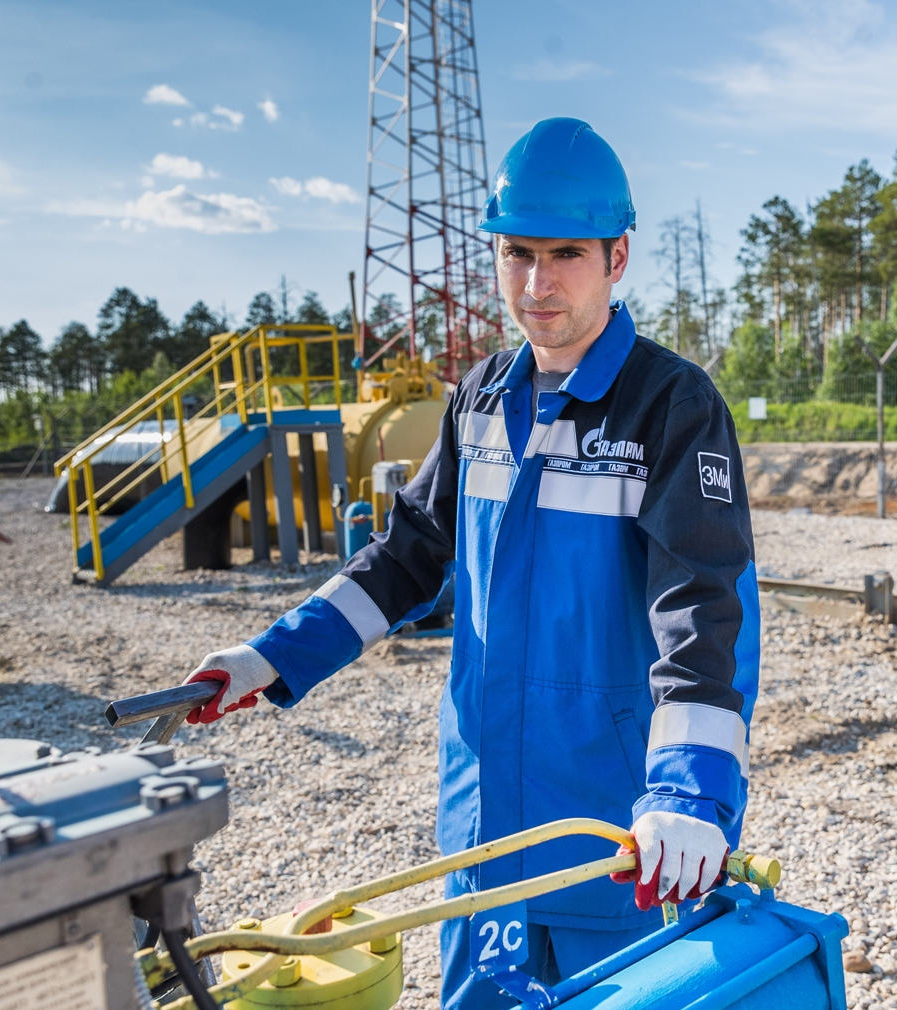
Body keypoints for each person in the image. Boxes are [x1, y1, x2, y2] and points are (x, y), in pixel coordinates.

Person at [180, 117, 759, 1008]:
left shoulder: (669, 406)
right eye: (516, 252)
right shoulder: (480, 397)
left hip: (619, 835)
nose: (537, 283)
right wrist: (270, 656)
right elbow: (407, 558)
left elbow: (704, 609)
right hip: (483, 833)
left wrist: (690, 796)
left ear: (619, 256)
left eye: (566, 253)